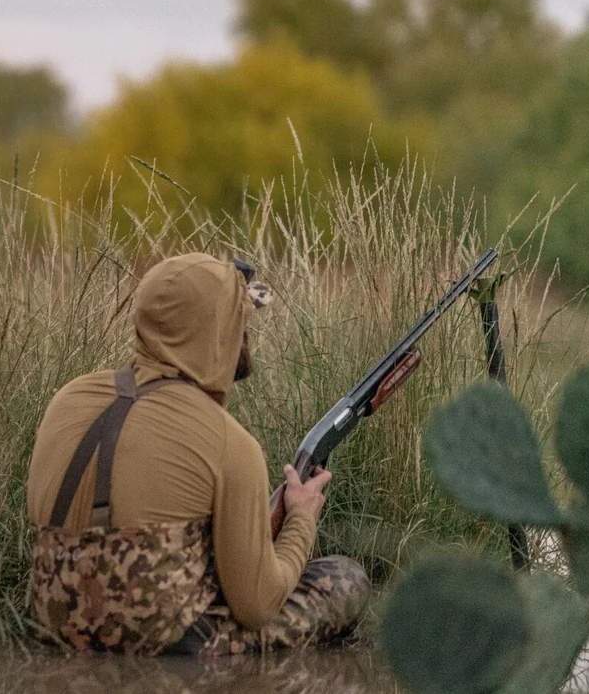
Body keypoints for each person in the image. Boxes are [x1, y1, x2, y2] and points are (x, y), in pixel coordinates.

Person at [26, 252, 369, 656]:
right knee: (345, 579)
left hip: (55, 628)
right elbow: (257, 607)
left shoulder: (67, 399)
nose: (246, 333)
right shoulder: (229, 441)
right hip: (171, 646)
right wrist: (300, 519)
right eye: (240, 321)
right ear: (217, 332)